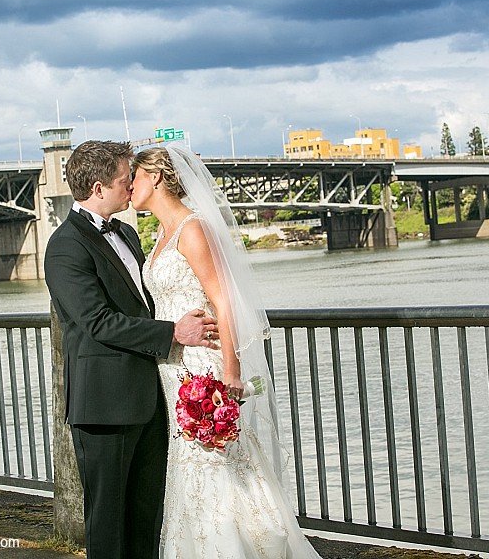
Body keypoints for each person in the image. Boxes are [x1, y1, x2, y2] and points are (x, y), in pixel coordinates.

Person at [131, 144, 323, 559]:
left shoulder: (193, 229)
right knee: (190, 461)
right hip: (173, 366)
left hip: (205, 362)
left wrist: (231, 371)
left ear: (157, 176)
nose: (128, 185)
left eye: (135, 176)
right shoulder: (160, 234)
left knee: (217, 458)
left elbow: (224, 301)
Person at [44, 140, 219, 559]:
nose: (131, 186)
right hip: (104, 406)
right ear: (100, 187)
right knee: (108, 522)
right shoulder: (65, 246)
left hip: (150, 399)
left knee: (148, 516)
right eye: (125, 180)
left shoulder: (125, 232)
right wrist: (173, 334)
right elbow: (96, 322)